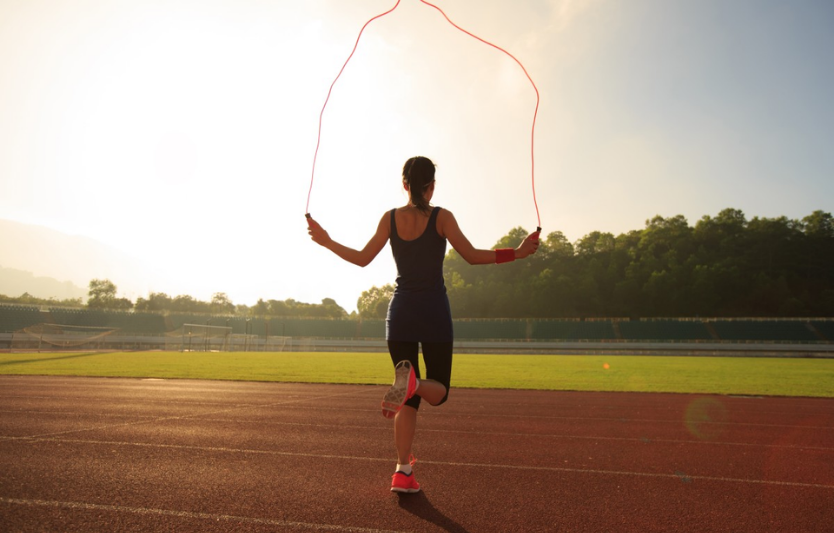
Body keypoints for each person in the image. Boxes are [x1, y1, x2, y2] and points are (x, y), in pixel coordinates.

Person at [306, 156, 539, 493]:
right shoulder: (442, 217)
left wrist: (326, 240)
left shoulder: (389, 218)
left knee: (407, 401)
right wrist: (516, 254)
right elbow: (472, 256)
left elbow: (361, 259)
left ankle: (402, 470)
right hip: (433, 313)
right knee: (439, 392)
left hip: (399, 314)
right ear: (431, 187)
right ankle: (413, 386)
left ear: (405, 185)